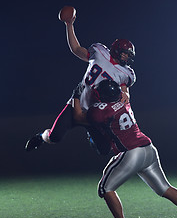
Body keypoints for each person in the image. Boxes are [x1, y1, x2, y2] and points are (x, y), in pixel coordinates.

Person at [84, 80, 177, 218]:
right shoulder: (124, 99)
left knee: (105, 188)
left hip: (132, 152)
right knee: (164, 188)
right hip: (149, 149)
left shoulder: (101, 111)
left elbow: (84, 116)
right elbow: (124, 85)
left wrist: (77, 97)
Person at [25, 11, 136, 151]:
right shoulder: (100, 52)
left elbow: (124, 88)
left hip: (97, 112)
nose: (127, 57)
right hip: (77, 102)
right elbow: (76, 49)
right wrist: (69, 25)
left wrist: (126, 95)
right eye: (125, 53)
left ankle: (90, 133)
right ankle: (41, 136)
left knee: (104, 149)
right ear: (116, 50)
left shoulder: (126, 72)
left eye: (129, 55)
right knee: (54, 137)